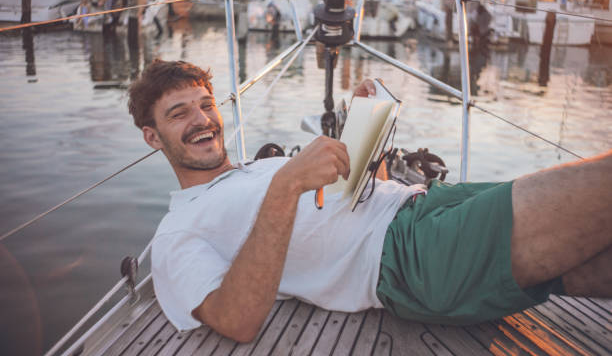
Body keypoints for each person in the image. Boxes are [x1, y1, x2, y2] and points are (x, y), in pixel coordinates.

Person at [128, 59, 612, 343]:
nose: (202, 119)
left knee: (594, 258)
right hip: (408, 257)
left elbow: (350, 204)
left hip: (424, 205)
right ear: (152, 137)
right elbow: (237, 322)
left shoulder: (255, 168)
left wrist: (364, 130)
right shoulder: (178, 233)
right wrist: (286, 186)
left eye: (206, 105)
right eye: (178, 114)